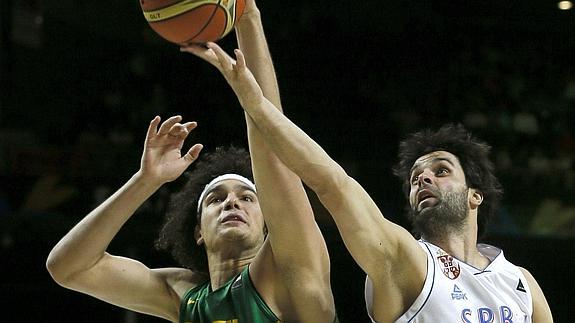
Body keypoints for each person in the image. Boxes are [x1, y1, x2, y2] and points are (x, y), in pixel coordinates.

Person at [190, 42, 554, 322]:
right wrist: (257, 106)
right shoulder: (405, 258)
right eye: (415, 178)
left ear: (475, 196)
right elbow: (332, 183)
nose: (423, 178)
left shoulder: (519, 282)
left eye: (441, 170)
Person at [46, 1, 337, 322]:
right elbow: (68, 267)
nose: (231, 204)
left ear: (268, 223)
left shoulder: (291, 274)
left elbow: (274, 151)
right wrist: (145, 181)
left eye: (247, 198)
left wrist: (247, 15)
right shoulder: (184, 296)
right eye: (215, 199)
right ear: (198, 230)